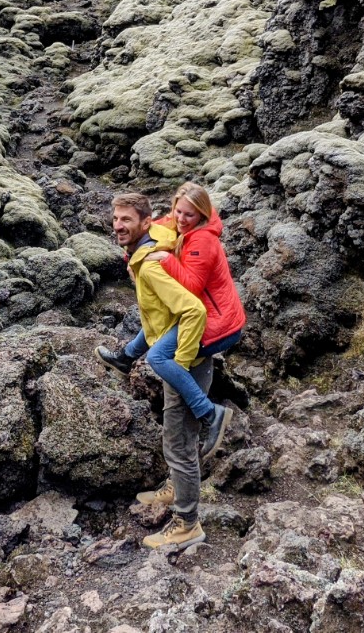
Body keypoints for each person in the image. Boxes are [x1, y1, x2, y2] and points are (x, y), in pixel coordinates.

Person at [97, 185, 246, 552]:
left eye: (126, 220)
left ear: (144, 223)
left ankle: (187, 523)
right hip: (184, 341)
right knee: (173, 431)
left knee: (180, 441)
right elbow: (167, 221)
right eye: (115, 219)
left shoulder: (153, 263)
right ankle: (175, 489)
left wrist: (177, 360)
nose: (118, 226)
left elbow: (193, 308)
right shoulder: (161, 234)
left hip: (190, 352)